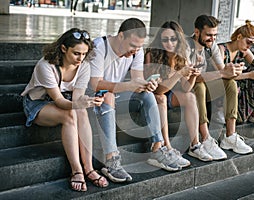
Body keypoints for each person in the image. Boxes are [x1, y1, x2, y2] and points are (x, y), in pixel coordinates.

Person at [88, 18, 182, 183]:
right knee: (108, 94)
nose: (136, 50)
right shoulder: (100, 46)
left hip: (116, 95)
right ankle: (111, 161)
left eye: (139, 46)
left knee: (147, 94)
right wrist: (128, 86)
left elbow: (137, 79)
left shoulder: (137, 50)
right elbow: (95, 84)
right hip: (91, 98)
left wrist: (146, 84)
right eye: (133, 46)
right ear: (121, 36)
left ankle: (157, 148)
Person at [21, 28, 109, 192]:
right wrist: (79, 104)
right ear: (63, 48)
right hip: (37, 104)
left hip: (66, 100)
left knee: (81, 112)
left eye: (84, 54)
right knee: (70, 114)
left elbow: (77, 99)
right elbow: (60, 101)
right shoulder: (46, 65)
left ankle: (89, 168)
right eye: (76, 53)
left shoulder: (84, 66)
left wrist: (88, 102)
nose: (80, 58)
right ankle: (76, 170)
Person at [144, 21, 213, 166]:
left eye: (173, 39)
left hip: (170, 93)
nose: (169, 43)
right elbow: (158, 90)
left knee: (190, 96)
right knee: (161, 98)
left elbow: (186, 88)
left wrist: (193, 75)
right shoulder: (152, 54)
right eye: (165, 39)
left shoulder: (181, 55)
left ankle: (195, 145)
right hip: (151, 96)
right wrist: (178, 73)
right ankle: (167, 147)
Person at [188, 15, 253, 158]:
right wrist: (223, 72)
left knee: (230, 84)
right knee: (199, 85)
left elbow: (224, 73)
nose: (212, 39)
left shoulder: (213, 47)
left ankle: (230, 135)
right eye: (209, 35)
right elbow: (194, 78)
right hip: (185, 89)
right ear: (197, 32)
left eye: (215, 35)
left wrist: (234, 70)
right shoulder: (187, 47)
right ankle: (205, 138)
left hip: (205, 85)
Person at [218, 20, 254, 132]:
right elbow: (222, 75)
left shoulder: (243, 51)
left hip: (236, 81)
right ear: (239, 37)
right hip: (220, 84)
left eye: (252, 44)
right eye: (248, 42)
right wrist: (249, 75)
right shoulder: (222, 50)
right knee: (250, 77)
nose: (249, 46)